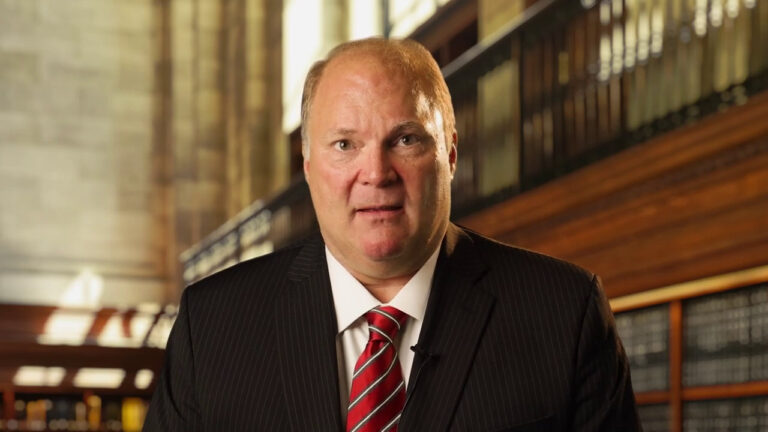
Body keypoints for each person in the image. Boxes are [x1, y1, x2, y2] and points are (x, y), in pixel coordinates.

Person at [144, 38, 641, 431]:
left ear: (449, 151)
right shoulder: (212, 327)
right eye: (345, 144)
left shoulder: (564, 313)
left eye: (405, 139)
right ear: (309, 164)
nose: (376, 173)